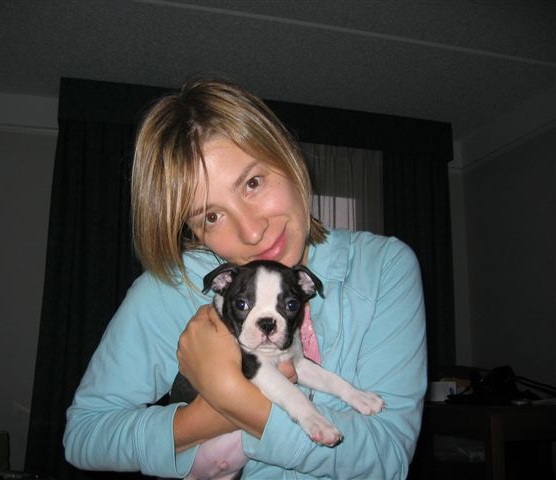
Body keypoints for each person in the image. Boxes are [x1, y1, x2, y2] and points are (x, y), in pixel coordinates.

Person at [63, 76, 427, 479]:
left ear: (287, 155)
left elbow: (389, 458)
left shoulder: (382, 268)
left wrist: (234, 397)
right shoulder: (169, 289)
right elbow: (85, 435)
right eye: (211, 216)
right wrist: (200, 419)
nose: (252, 233)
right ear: (190, 230)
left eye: (253, 183)